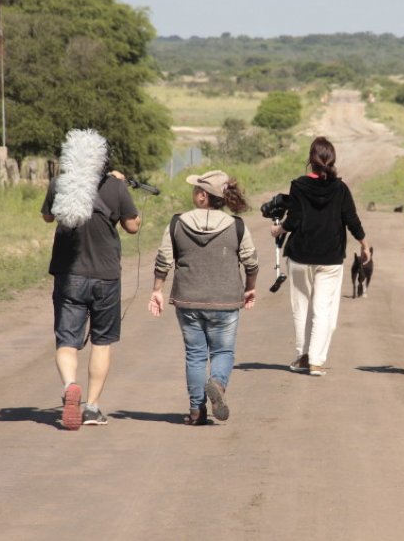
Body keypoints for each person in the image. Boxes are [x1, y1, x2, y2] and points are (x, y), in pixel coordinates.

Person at [41, 129, 141, 430]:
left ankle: (70, 385)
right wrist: (122, 188)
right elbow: (133, 226)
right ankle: (93, 407)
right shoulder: (115, 186)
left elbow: (48, 217)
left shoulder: (59, 183)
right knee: (101, 341)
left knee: (67, 340)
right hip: (105, 276)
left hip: (69, 274)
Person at [149, 170, 258, 425]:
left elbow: (163, 260)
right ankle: (218, 384)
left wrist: (157, 289)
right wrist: (250, 288)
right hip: (226, 301)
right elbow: (251, 262)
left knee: (195, 354)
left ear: (202, 196)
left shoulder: (177, 223)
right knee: (223, 350)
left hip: (188, 300)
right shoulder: (237, 226)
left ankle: (196, 411)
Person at [270, 136, 370, 376]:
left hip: (300, 255)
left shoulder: (299, 185)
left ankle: (303, 356)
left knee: (301, 308)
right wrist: (364, 244)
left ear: (310, 161)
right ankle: (316, 360)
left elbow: (293, 220)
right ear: (332, 159)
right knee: (323, 309)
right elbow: (351, 220)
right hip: (331, 258)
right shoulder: (341, 188)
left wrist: (278, 229)